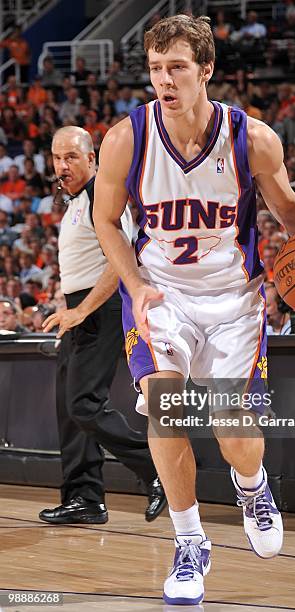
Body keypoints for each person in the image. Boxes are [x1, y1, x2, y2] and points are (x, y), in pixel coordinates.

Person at [93, 15, 295, 605]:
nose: (164, 80)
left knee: (233, 431)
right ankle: (189, 541)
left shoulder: (253, 138)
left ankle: (252, 486)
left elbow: (290, 210)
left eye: (178, 68)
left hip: (234, 299)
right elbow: (105, 221)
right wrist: (136, 285)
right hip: (161, 292)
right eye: (156, 68)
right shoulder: (126, 138)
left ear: (206, 71)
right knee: (165, 409)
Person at [38, 126, 165, 525]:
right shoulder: (74, 201)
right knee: (69, 410)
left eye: (72, 157)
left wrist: (81, 311)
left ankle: (157, 468)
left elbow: (121, 258)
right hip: (79, 310)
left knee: (84, 405)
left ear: (92, 158)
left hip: (103, 308)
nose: (63, 165)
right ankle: (84, 497)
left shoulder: (99, 195)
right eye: (58, 158)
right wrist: (68, 310)